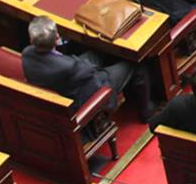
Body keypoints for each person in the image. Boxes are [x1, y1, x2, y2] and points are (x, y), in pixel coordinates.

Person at [21, 16, 153, 120]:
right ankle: (146, 112)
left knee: (96, 52)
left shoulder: (26, 54)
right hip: (90, 90)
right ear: (57, 37)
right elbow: (90, 70)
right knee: (135, 64)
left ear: (32, 41)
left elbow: (78, 66)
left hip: (65, 82)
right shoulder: (69, 67)